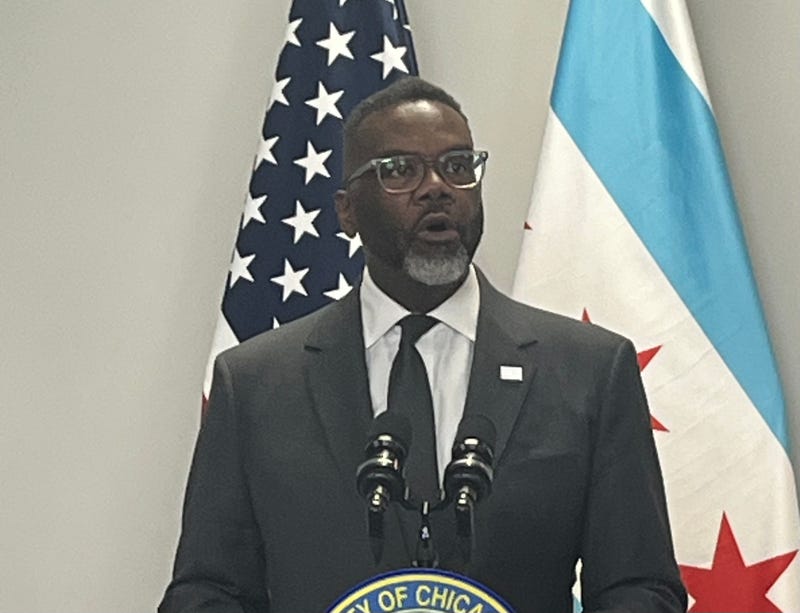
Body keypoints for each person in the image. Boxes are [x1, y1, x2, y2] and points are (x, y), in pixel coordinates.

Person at [159, 77, 687, 613]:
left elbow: (640, 586)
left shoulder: (588, 371)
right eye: (399, 171)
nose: (436, 187)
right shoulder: (255, 384)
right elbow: (208, 590)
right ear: (346, 210)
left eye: (457, 166)